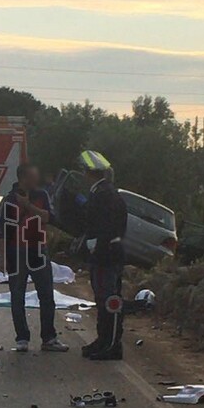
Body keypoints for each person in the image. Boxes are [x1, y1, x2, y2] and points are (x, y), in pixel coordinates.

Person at [0, 163, 69, 353]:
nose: (37, 180)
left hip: (38, 250)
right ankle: (22, 338)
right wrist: (2, 258)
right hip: (16, 252)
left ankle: (49, 338)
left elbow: (50, 218)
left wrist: (28, 206)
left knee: (46, 295)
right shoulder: (9, 200)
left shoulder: (42, 196)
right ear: (23, 178)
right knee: (17, 296)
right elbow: (1, 231)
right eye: (33, 176)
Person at [78, 151, 128, 361]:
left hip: (105, 254)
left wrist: (96, 247)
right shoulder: (108, 192)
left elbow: (104, 226)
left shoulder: (103, 195)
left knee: (109, 300)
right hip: (109, 252)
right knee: (104, 299)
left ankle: (111, 344)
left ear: (89, 173)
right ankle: (103, 340)